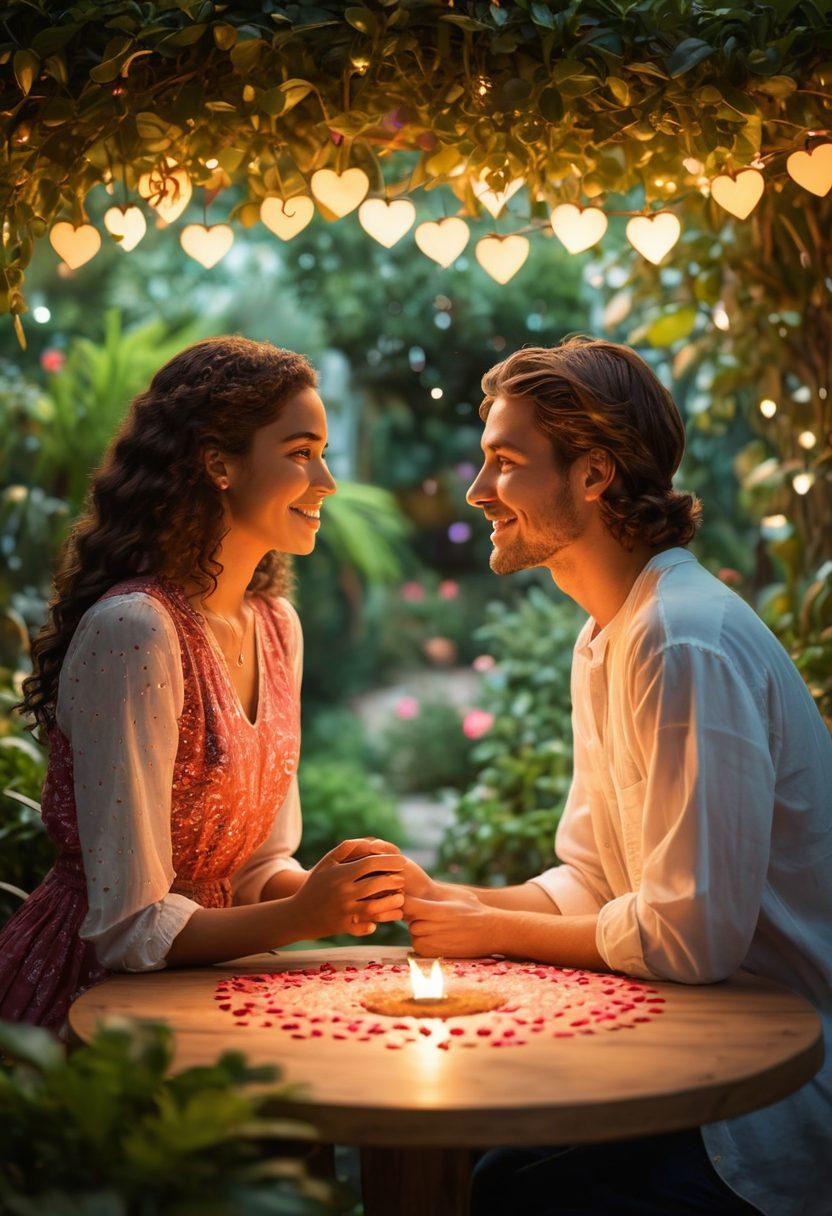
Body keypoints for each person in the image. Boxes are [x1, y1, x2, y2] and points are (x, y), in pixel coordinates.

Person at [401, 337, 832, 1216]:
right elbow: (593, 877)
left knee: (506, 1184)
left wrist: (487, 932)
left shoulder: (682, 640)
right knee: (480, 1133)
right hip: (689, 1048)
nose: (478, 491)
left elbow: (691, 938)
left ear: (593, 475)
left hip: (768, 1096)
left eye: (505, 462)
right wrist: (440, 899)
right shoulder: (609, 634)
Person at [0, 336, 404, 1038]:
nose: (327, 481)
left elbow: (257, 867)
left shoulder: (277, 626)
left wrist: (337, 890)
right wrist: (304, 916)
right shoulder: (137, 631)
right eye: (302, 452)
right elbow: (127, 930)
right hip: (94, 1010)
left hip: (219, 984)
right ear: (218, 463)